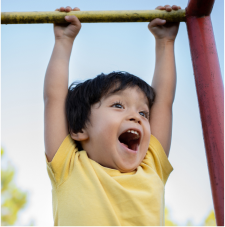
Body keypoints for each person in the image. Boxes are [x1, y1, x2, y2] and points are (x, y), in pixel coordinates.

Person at [44, 4, 180, 227]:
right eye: (118, 105)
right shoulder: (69, 167)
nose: (136, 116)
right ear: (79, 130)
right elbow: (54, 99)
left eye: (143, 112)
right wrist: (63, 41)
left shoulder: (151, 166)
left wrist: (165, 42)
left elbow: (163, 103)